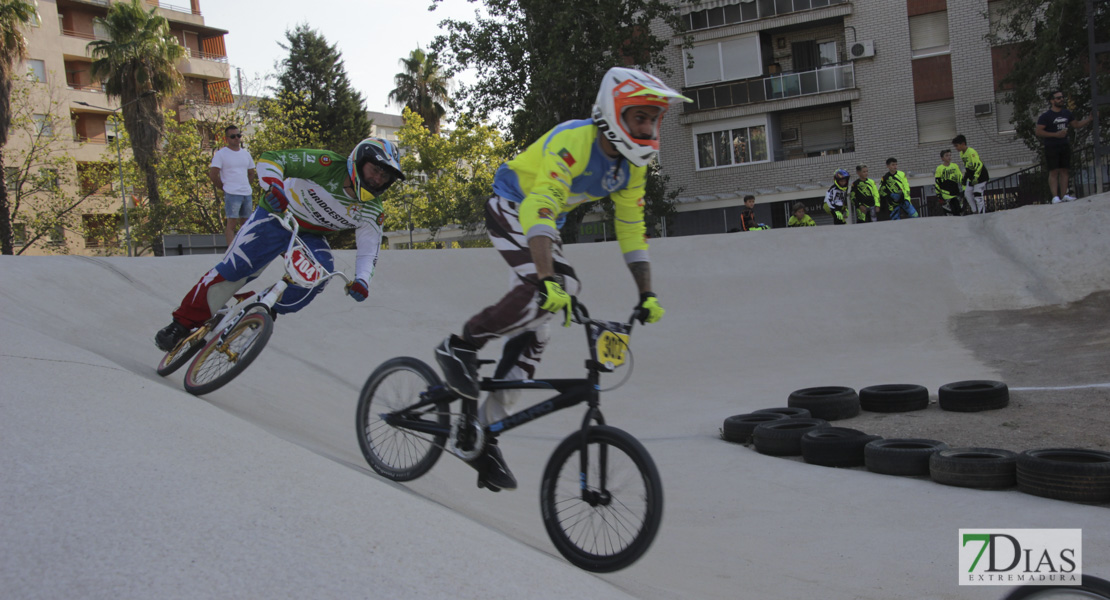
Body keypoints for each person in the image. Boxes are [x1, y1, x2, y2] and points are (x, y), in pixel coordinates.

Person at [433, 67, 689, 492]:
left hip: (543, 221)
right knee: (547, 291)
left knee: (542, 329)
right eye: (639, 117)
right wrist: (547, 279)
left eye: (652, 119)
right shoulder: (574, 140)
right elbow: (541, 207)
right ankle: (460, 345)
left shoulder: (632, 168)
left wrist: (647, 294)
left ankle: (482, 433)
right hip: (513, 204)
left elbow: (630, 227)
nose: (647, 127)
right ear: (614, 113)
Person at [154, 138, 405, 352]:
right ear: (358, 161)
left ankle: (261, 308)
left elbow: (369, 248)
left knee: (318, 276)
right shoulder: (326, 164)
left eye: (385, 176)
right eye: (375, 169)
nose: (377, 179)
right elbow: (273, 159)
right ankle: (181, 324)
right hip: (277, 215)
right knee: (235, 270)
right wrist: (273, 185)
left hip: (310, 235)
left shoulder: (372, 210)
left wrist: (362, 280)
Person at [1035, 89, 1095, 203]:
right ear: (1052, 101)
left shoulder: (1066, 113)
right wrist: (1055, 135)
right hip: (1051, 146)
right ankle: (1055, 197)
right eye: (1058, 98)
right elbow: (1038, 131)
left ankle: (1064, 195)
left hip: (1064, 145)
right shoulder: (1046, 116)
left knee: (1065, 170)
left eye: (1062, 97)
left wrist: (1089, 119)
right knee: (1053, 171)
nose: (1061, 99)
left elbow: (1076, 124)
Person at [209, 125, 257, 246]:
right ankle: (231, 250)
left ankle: (244, 247)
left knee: (246, 223)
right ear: (227, 139)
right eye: (233, 136)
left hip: (246, 192)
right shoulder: (221, 154)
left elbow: (251, 172)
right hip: (232, 192)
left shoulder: (246, 154)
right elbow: (213, 174)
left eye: (238, 135)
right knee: (232, 223)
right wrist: (224, 187)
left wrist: (246, 184)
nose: (236, 138)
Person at [952, 134, 989, 214]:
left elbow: (979, 165)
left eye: (957, 146)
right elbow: (967, 167)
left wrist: (976, 177)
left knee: (977, 193)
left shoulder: (971, 152)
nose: (956, 148)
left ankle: (982, 213)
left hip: (981, 175)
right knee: (967, 193)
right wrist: (965, 178)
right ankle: (975, 211)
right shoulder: (961, 154)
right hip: (971, 174)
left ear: (963, 144)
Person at [934, 149, 964, 216]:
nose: (949, 157)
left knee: (959, 212)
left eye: (950, 155)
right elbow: (937, 182)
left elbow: (960, 177)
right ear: (942, 158)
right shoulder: (939, 168)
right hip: (946, 195)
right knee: (949, 214)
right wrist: (938, 194)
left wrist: (963, 188)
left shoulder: (955, 166)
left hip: (955, 193)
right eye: (946, 155)